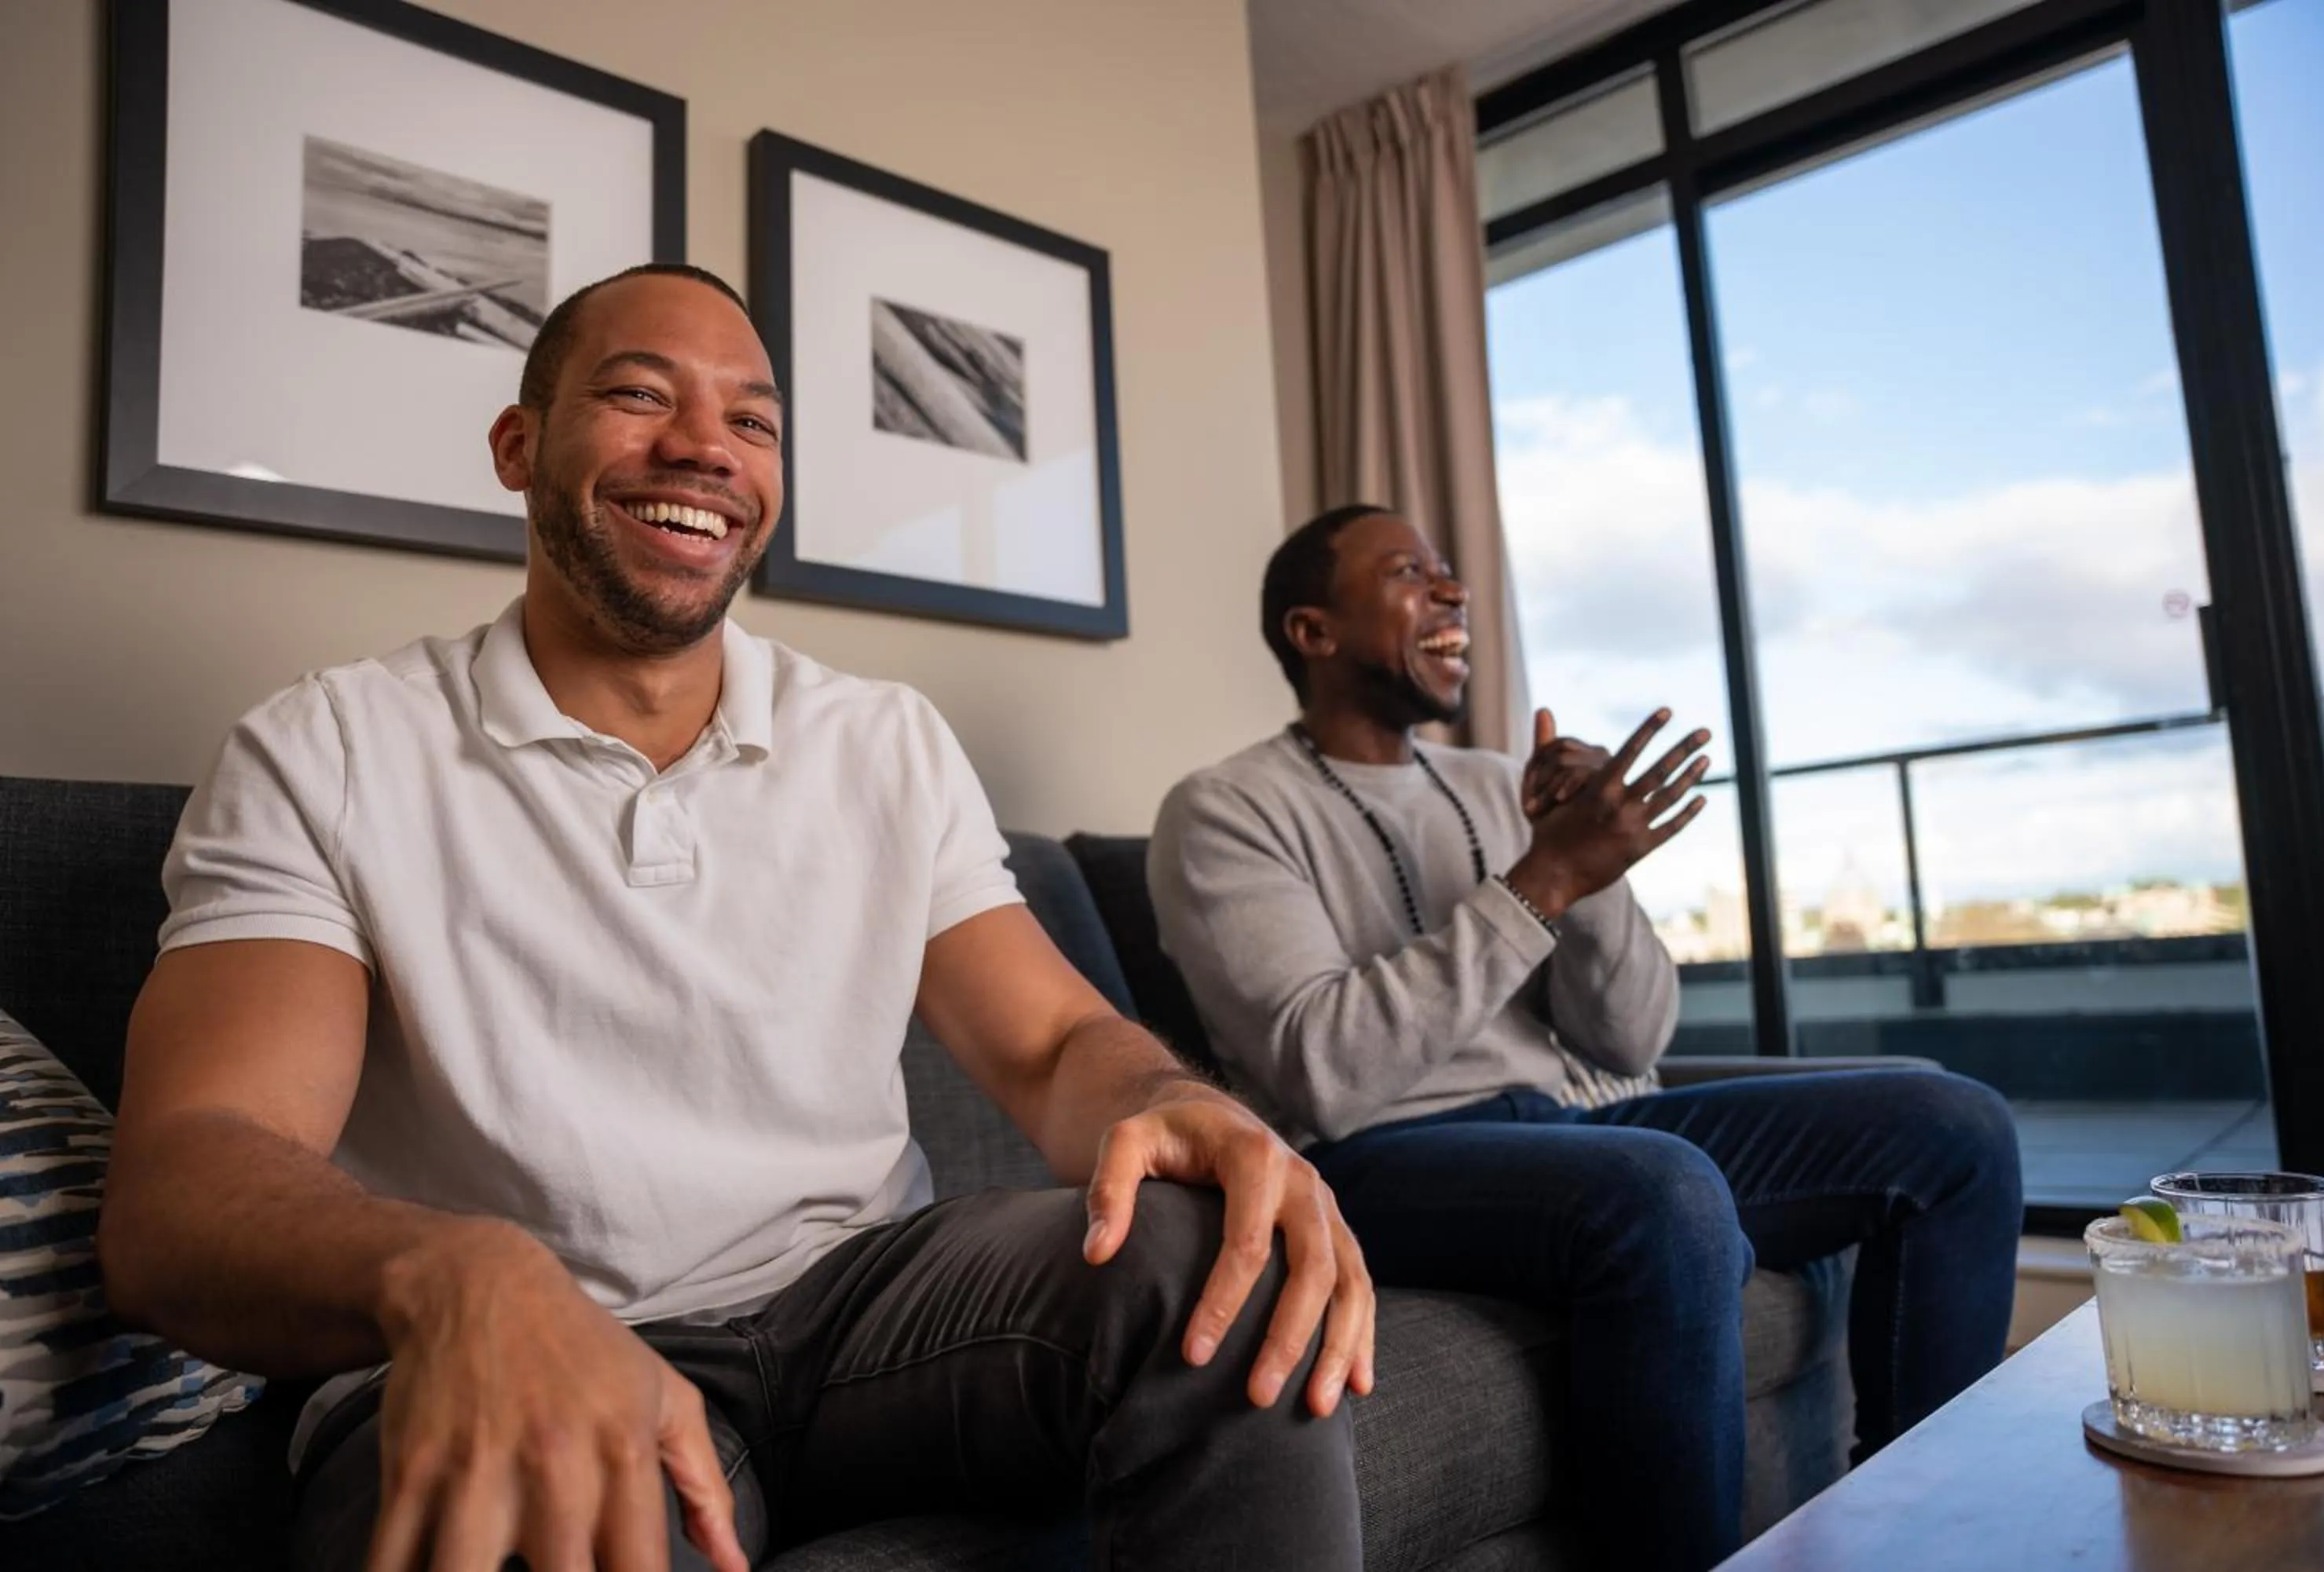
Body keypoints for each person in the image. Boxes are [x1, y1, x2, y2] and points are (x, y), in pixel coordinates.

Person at [97, 264, 1374, 1572]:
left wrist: (1185, 1104)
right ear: (519, 447)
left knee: (1212, 1247)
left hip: (866, 1311)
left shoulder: (883, 741)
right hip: (546, 1342)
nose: (704, 447)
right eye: (640, 394)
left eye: (752, 423)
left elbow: (1053, 1047)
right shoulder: (331, 750)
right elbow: (189, 1175)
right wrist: (450, 1272)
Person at [1147, 503, 2023, 1572]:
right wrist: (1545, 877)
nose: (1452, 591)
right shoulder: (1224, 810)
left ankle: (1919, 1538)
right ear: (1313, 631)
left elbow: (1628, 1037)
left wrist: (1592, 876)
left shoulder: (1489, 783)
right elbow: (1322, 1075)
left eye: (1450, 571)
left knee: (1951, 1123)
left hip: (1580, 1131)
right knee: (1659, 1187)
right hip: (1374, 1160)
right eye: (1408, 573)